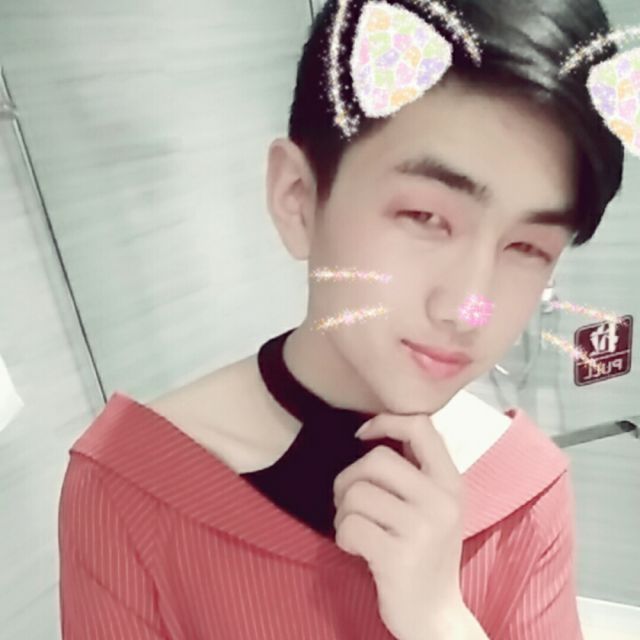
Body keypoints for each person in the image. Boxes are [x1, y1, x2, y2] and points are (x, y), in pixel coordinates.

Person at [58, 0, 625, 638]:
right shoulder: (127, 486)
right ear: (297, 199)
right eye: (424, 217)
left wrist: (440, 620)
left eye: (527, 247)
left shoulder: (527, 485)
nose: (469, 308)